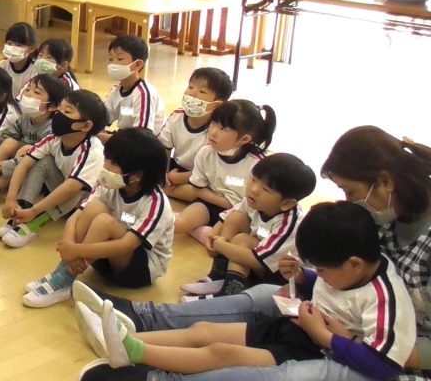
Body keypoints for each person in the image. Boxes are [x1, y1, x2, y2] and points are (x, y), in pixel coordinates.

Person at [75, 125, 431, 381]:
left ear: (385, 182)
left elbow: (388, 355)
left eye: (350, 192)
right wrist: (308, 280)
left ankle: (154, 372)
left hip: (382, 351)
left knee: (290, 372)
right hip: (336, 319)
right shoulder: (381, 217)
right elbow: (346, 273)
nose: (350, 201)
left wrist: (341, 338)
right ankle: (140, 322)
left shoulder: (409, 258)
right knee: (263, 297)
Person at [88, 202, 415, 381]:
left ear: (355, 264)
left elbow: (385, 367)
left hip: (311, 350)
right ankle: (121, 337)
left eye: (323, 270)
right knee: (205, 331)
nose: (322, 276)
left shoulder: (385, 299)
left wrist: (326, 337)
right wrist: (303, 278)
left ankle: (136, 353)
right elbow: (332, 289)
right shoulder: (347, 268)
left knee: (221, 353)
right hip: (294, 327)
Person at [23, 128, 173, 308]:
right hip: (102, 258)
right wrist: (69, 244)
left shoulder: (155, 202)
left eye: (113, 163)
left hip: (139, 271)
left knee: (104, 222)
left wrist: (77, 250)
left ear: (137, 176)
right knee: (95, 208)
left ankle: (64, 279)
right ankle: (62, 272)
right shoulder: (109, 185)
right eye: (107, 159)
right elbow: (75, 218)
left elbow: (126, 245)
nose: (105, 166)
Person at [181, 153, 315, 301]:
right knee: (236, 218)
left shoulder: (290, 223)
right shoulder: (253, 201)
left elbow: (258, 260)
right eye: (253, 179)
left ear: (286, 203)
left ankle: (229, 294)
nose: (254, 189)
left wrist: (220, 245)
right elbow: (227, 218)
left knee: (242, 240)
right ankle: (218, 276)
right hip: (257, 260)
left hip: (279, 278)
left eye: (266, 189)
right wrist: (213, 236)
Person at [0, 90, 108, 248]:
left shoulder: (92, 150)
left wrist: (36, 211)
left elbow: (72, 187)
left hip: (84, 203)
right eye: (60, 109)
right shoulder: (54, 138)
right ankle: (21, 213)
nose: (58, 114)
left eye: (67, 111)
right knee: (42, 161)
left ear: (85, 125)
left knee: (76, 187)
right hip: (62, 188)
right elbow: (24, 164)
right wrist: (11, 199)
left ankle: (34, 223)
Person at [173, 100, 277, 245]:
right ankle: (199, 231)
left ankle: (200, 232)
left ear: (244, 139)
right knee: (179, 225)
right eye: (213, 123)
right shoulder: (205, 153)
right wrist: (219, 200)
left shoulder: (257, 166)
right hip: (208, 204)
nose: (213, 132)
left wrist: (206, 195)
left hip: (242, 214)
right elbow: (197, 188)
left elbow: (248, 205)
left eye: (223, 128)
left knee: (232, 241)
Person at [0, 74, 68, 192]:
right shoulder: (25, 118)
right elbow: (3, 137)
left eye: (36, 92)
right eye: (27, 89)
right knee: (9, 142)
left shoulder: (53, 128)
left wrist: (2, 166)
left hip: (40, 175)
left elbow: (34, 157)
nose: (28, 94)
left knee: (26, 150)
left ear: (53, 106)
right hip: (13, 164)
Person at [158, 67, 232, 192]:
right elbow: (164, 147)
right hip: (176, 167)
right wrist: (164, 174)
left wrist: (176, 178)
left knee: (194, 192)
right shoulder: (177, 116)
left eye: (202, 91)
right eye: (191, 87)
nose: (192, 93)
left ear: (217, 104)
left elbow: (211, 168)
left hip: (204, 174)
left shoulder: (216, 130)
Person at [100, 34, 165, 142]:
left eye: (120, 59)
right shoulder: (115, 91)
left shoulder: (144, 94)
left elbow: (142, 136)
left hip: (144, 143)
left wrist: (100, 136)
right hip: (126, 136)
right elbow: (102, 119)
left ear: (138, 64)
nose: (113, 64)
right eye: (110, 59)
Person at [0, 21, 38, 99]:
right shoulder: (2, 64)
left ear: (31, 49)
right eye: (9, 43)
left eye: (19, 45)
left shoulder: (35, 70)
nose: (12, 48)